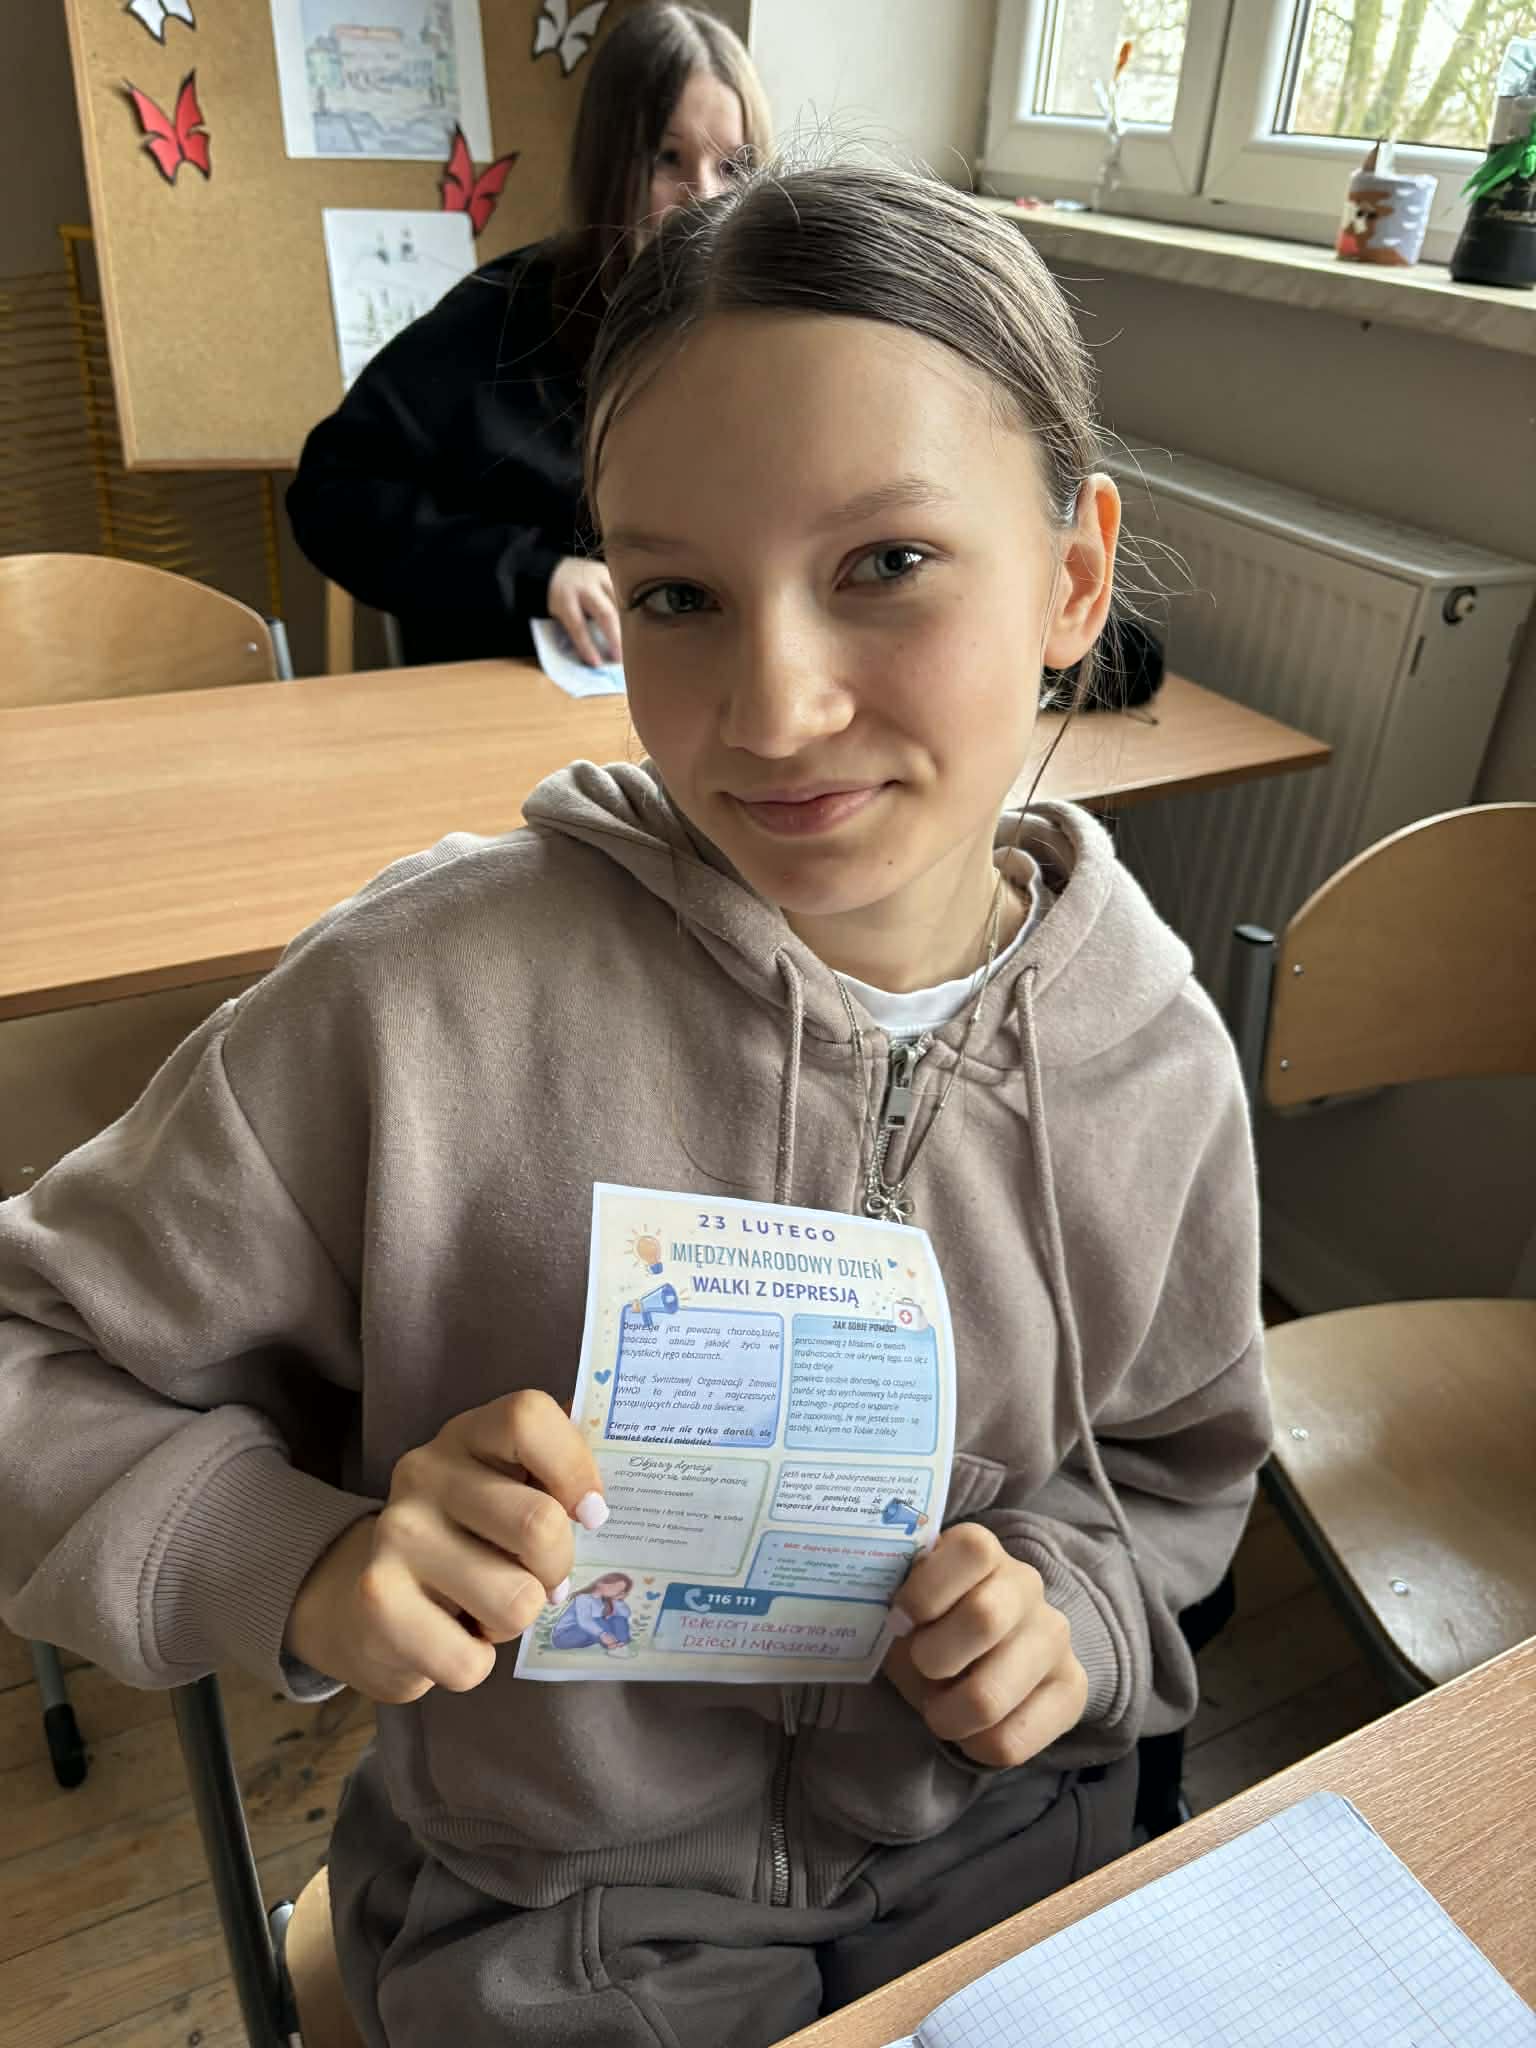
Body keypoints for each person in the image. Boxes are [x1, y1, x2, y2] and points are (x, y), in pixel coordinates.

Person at [0, 165, 1270, 2048]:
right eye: (678, 593)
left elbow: (1170, 1471)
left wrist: (1072, 1613)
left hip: (1006, 1865)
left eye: (886, 564)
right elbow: (31, 1348)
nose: (773, 707)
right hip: (552, 1926)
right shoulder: (416, 1001)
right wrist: (307, 1561)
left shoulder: (1149, 1048)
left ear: (1072, 577)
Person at [286, 2, 771, 667]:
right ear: (609, 167)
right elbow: (332, 498)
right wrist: (536, 572)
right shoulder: (495, 321)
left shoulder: (767, 334)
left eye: (735, 166)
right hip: (522, 683)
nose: (705, 199)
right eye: (667, 158)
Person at [549, 1573, 637, 1656]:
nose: (614, 1591)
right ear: (600, 1583)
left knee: (618, 1619)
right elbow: (585, 1621)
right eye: (612, 1586)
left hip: (586, 1636)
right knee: (599, 1620)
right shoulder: (583, 1598)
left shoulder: (607, 1601)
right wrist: (602, 1634)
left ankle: (621, 1645)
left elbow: (625, 1615)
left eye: (619, 1590)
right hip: (564, 1637)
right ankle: (614, 1646)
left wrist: (618, 1600)